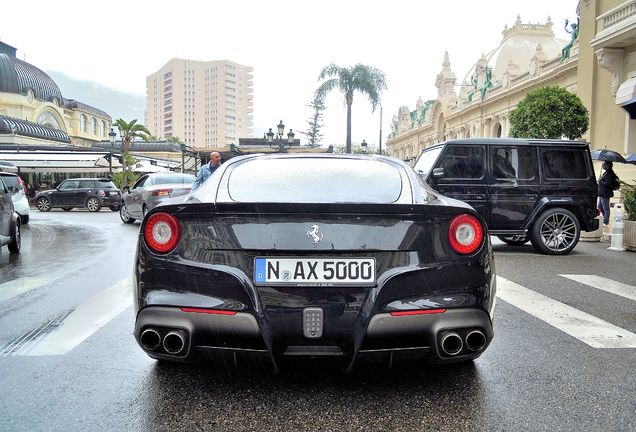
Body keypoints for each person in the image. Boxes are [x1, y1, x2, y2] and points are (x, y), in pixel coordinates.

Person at [597, 160, 618, 226]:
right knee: (599, 207)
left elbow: (608, 184)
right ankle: (604, 219)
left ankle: (606, 222)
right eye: (603, 164)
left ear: (608, 165)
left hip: (605, 193)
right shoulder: (606, 172)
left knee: (605, 208)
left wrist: (600, 181)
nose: (603, 165)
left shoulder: (610, 174)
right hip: (602, 193)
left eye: (604, 164)